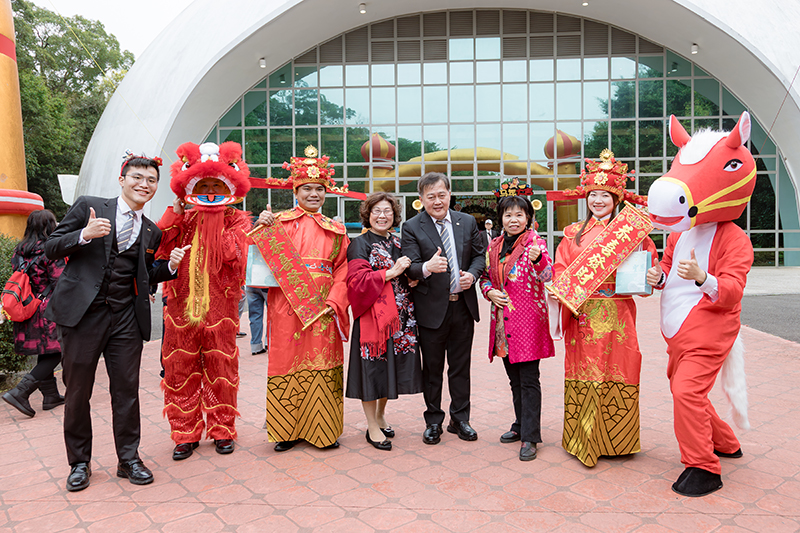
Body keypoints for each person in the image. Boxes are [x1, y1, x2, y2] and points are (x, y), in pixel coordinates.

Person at [44, 153, 186, 492]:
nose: (144, 184)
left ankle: (129, 459)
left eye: (151, 180)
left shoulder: (151, 230)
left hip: (125, 317)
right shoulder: (89, 206)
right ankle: (79, 462)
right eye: (137, 177)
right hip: (83, 316)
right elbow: (50, 247)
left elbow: (145, 274)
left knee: (127, 391)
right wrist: (84, 234)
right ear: (122, 180)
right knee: (78, 391)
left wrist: (170, 267)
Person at [646, 113, 755, 497]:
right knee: (684, 388)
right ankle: (725, 442)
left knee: (686, 392)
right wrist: (659, 276)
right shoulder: (682, 234)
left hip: (710, 327)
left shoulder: (735, 239)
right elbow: (667, 265)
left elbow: (732, 291)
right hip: (677, 329)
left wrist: (702, 278)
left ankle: (703, 467)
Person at [551, 150, 656, 467]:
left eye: (605, 195)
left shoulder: (631, 233)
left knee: (620, 370)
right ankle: (583, 441)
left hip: (619, 313)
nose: (598, 200)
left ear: (616, 198)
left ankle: (618, 441)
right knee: (585, 373)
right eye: (593, 195)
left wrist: (653, 276)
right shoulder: (572, 234)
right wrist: (563, 287)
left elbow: (649, 267)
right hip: (583, 314)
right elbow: (560, 267)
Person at [157, 141, 252, 460]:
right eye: (203, 186)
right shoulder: (182, 217)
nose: (210, 192)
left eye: (216, 186)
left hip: (221, 310)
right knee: (179, 368)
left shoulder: (237, 220)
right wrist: (175, 212)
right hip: (180, 308)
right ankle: (185, 433)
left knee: (221, 368)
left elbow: (234, 256)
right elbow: (159, 248)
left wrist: (214, 220)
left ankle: (223, 430)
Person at [255, 145, 350, 452]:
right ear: (295, 191)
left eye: (319, 189)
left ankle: (324, 431)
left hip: (322, 308)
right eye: (307, 188)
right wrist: (260, 229)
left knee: (322, 363)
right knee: (286, 361)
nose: (313, 194)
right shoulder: (277, 222)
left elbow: (344, 269)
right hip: (286, 305)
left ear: (326, 193)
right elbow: (257, 263)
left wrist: (334, 301)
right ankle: (285, 430)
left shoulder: (337, 230)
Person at [401, 172, 485, 445]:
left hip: (462, 307)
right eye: (431, 197)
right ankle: (433, 421)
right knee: (432, 369)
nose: (437, 201)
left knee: (460, 367)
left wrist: (472, 275)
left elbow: (479, 256)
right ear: (421, 199)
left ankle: (460, 419)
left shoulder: (467, 221)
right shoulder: (411, 226)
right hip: (431, 310)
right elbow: (410, 266)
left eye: (441, 195)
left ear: (449, 194)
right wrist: (427, 267)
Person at [479, 193, 554, 461]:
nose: (513, 220)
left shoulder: (536, 243)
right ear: (501, 218)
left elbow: (548, 275)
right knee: (514, 380)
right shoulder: (494, 246)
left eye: (519, 215)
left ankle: (531, 436)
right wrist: (488, 292)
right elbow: (485, 278)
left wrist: (538, 259)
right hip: (503, 323)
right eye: (508, 215)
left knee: (529, 380)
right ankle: (520, 424)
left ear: (528, 218)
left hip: (528, 323)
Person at [346, 192, 423, 451]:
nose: (382, 216)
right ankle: (371, 426)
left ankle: (380, 415)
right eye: (377, 211)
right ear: (368, 215)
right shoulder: (359, 244)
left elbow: (412, 272)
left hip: (400, 319)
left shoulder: (400, 242)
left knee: (390, 369)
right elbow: (356, 282)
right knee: (372, 369)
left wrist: (413, 277)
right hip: (374, 318)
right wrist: (391, 272)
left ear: (394, 215)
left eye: (387, 211)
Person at [2, 210, 66, 418]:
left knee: (45, 350)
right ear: (50, 226)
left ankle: (51, 396)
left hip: (27, 306)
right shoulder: (51, 250)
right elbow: (60, 282)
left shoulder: (19, 251)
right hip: (47, 309)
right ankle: (21, 392)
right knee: (58, 350)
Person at [246, 285, 268, 355]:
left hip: (251, 284)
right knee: (272, 315)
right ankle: (269, 342)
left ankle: (256, 346)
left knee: (255, 316)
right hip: (268, 284)